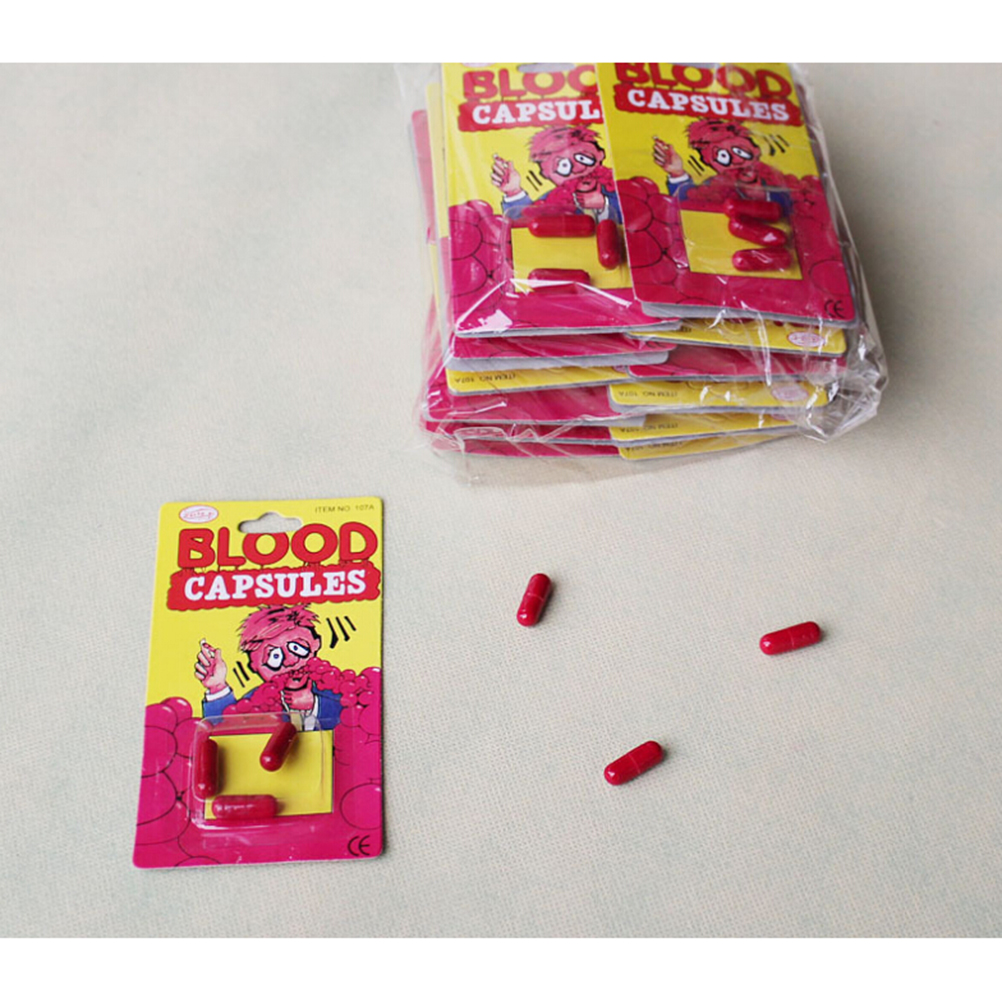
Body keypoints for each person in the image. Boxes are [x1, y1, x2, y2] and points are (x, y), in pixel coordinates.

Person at [194, 605, 341, 730]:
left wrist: (314, 705)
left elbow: (350, 720)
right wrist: (217, 687)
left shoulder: (336, 691)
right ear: (255, 666)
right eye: (275, 657)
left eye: (297, 648)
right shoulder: (256, 701)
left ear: (316, 643)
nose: (290, 661)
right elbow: (224, 730)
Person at [490, 124, 621, 223]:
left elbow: (631, 214)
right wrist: (513, 192)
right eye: (564, 166)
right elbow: (524, 222)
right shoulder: (553, 199)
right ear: (547, 174)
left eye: (583, 158)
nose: (578, 168)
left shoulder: (619, 189)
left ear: (600, 154)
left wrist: (604, 204)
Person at [653, 119, 795, 209]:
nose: (737, 161)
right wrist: (677, 173)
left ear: (756, 150)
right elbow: (686, 204)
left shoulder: (782, 183)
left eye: (741, 152)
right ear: (711, 164)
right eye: (723, 157)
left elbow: (798, 204)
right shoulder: (713, 189)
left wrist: (761, 195)